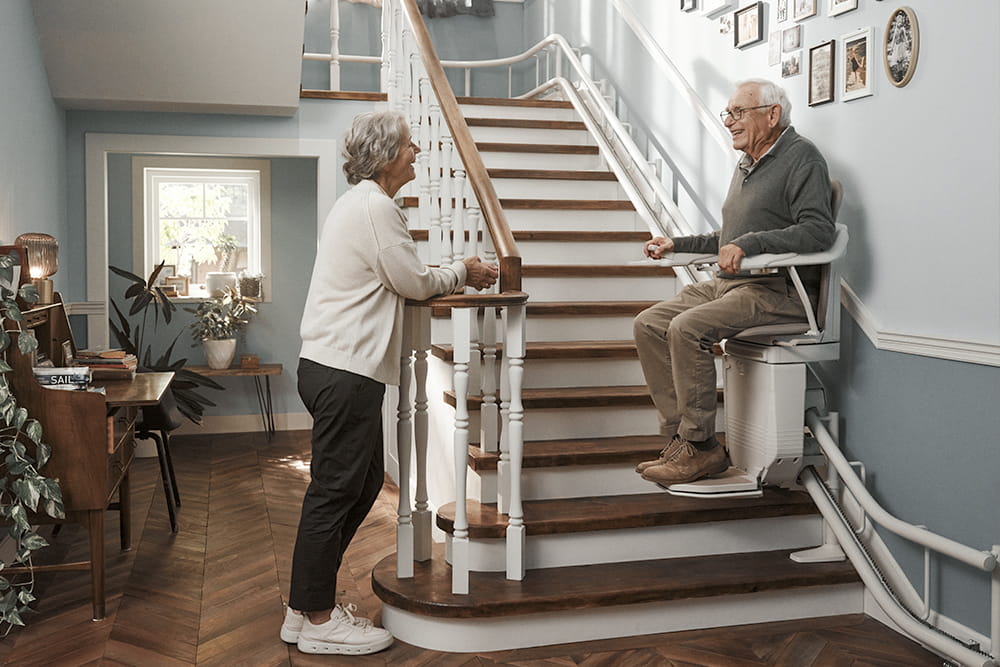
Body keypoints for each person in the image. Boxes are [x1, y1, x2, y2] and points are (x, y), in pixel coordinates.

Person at [280, 110, 498, 655]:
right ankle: (319, 619)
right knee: (335, 492)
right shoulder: (375, 207)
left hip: (337, 368)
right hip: (343, 371)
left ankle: (301, 610)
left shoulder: (361, 206)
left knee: (364, 481)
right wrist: (463, 272)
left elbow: (402, 278)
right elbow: (413, 282)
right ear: (384, 155)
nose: (417, 151)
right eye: (408, 144)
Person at [633, 79, 835, 487]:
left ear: (772, 115)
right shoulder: (747, 165)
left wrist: (751, 242)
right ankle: (684, 441)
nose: (729, 122)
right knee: (649, 324)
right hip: (732, 284)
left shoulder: (802, 158)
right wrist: (679, 243)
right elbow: (728, 239)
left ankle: (701, 446)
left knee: (686, 328)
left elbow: (819, 231)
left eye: (738, 113)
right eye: (728, 113)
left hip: (778, 291)